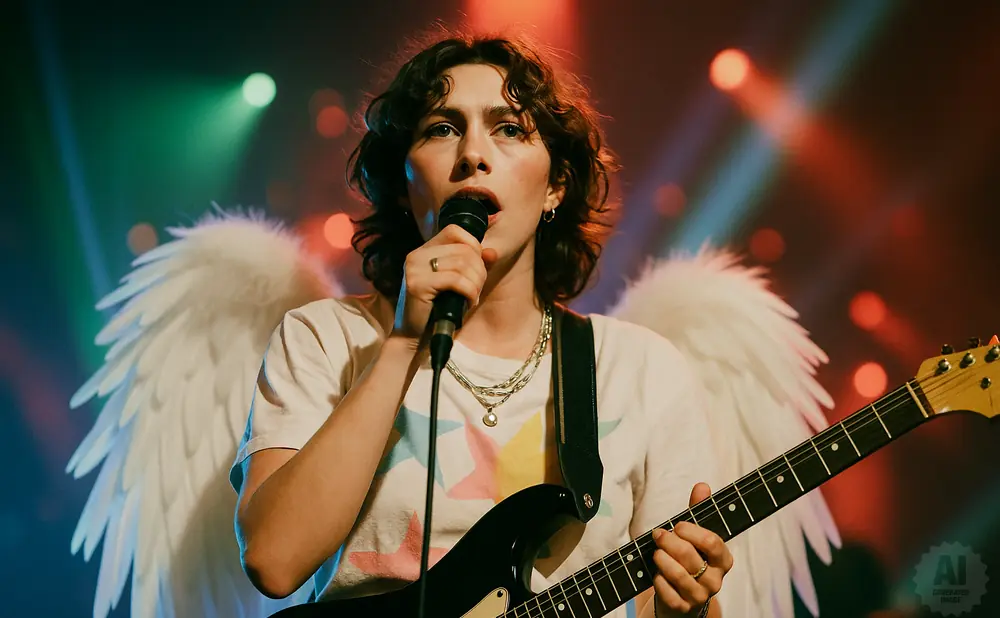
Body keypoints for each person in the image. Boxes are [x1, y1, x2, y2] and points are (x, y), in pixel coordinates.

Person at [229, 30, 735, 618]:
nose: (473, 152)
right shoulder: (324, 338)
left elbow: (666, 598)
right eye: (441, 128)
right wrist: (402, 343)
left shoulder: (640, 370)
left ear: (555, 187)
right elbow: (273, 558)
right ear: (402, 185)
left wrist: (687, 607)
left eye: (509, 128)